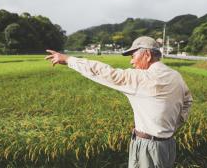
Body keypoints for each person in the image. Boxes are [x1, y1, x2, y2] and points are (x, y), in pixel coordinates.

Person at [45, 36, 193, 168]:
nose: (131, 61)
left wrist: (68, 60)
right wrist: (171, 128)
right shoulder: (176, 76)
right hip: (168, 145)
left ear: (147, 55)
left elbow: (103, 72)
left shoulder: (141, 79)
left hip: (148, 148)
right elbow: (188, 101)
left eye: (133, 56)